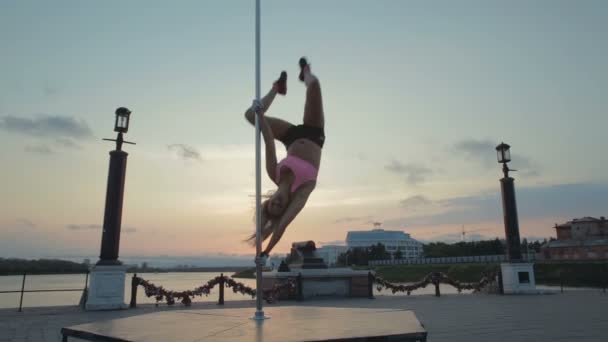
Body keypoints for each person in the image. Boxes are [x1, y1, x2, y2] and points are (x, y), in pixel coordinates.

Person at [244, 57, 325, 265]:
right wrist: (265, 253)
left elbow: (269, 140)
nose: (277, 203)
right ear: (286, 205)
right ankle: (305, 72)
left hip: (291, 137)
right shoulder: (302, 192)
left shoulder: (274, 173)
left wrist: (260, 113)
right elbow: (281, 227)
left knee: (250, 115)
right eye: (280, 207)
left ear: (269, 199)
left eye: (273, 204)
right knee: (314, 84)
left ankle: (277, 88)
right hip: (314, 133)